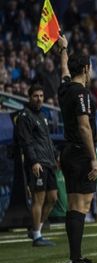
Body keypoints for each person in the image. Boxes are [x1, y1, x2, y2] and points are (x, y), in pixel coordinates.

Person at [57, 35, 97, 263]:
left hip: (68, 152)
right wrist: (94, 159)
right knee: (80, 206)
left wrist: (63, 49)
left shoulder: (65, 88)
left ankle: (75, 258)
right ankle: (75, 260)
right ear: (85, 69)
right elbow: (85, 126)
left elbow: (64, 69)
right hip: (80, 154)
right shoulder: (82, 93)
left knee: (74, 205)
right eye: (91, 67)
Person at [15, 84, 57, 247]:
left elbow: (46, 140)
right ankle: (37, 236)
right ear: (29, 97)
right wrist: (34, 161)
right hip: (37, 163)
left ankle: (35, 229)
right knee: (38, 199)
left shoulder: (42, 116)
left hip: (49, 162)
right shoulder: (25, 116)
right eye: (35, 96)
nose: (39, 99)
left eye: (41, 96)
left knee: (53, 198)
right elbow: (26, 142)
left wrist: (56, 156)